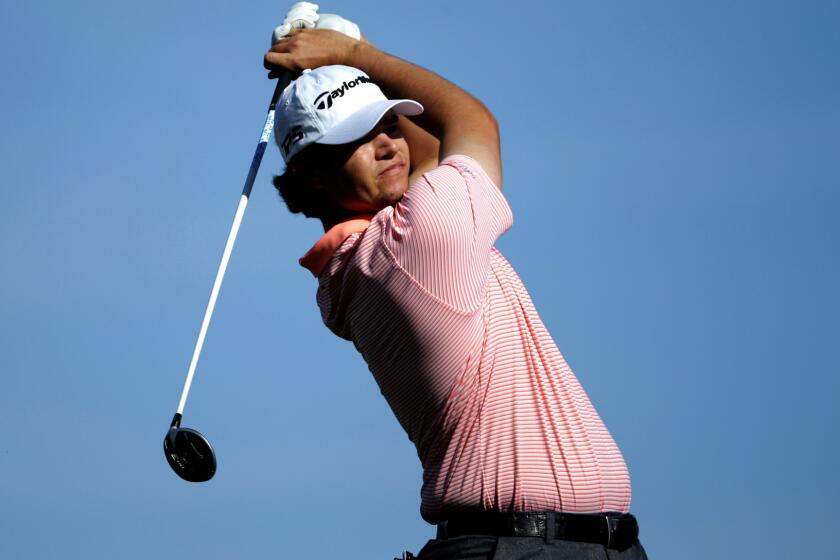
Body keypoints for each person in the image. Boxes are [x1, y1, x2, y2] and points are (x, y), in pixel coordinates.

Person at [264, 6, 647, 559]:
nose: (389, 145)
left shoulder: (372, 253)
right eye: (359, 137)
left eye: (388, 125)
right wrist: (358, 56)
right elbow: (469, 124)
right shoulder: (411, 244)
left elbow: (422, 152)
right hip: (520, 550)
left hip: (561, 547)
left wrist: (349, 61)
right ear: (311, 174)